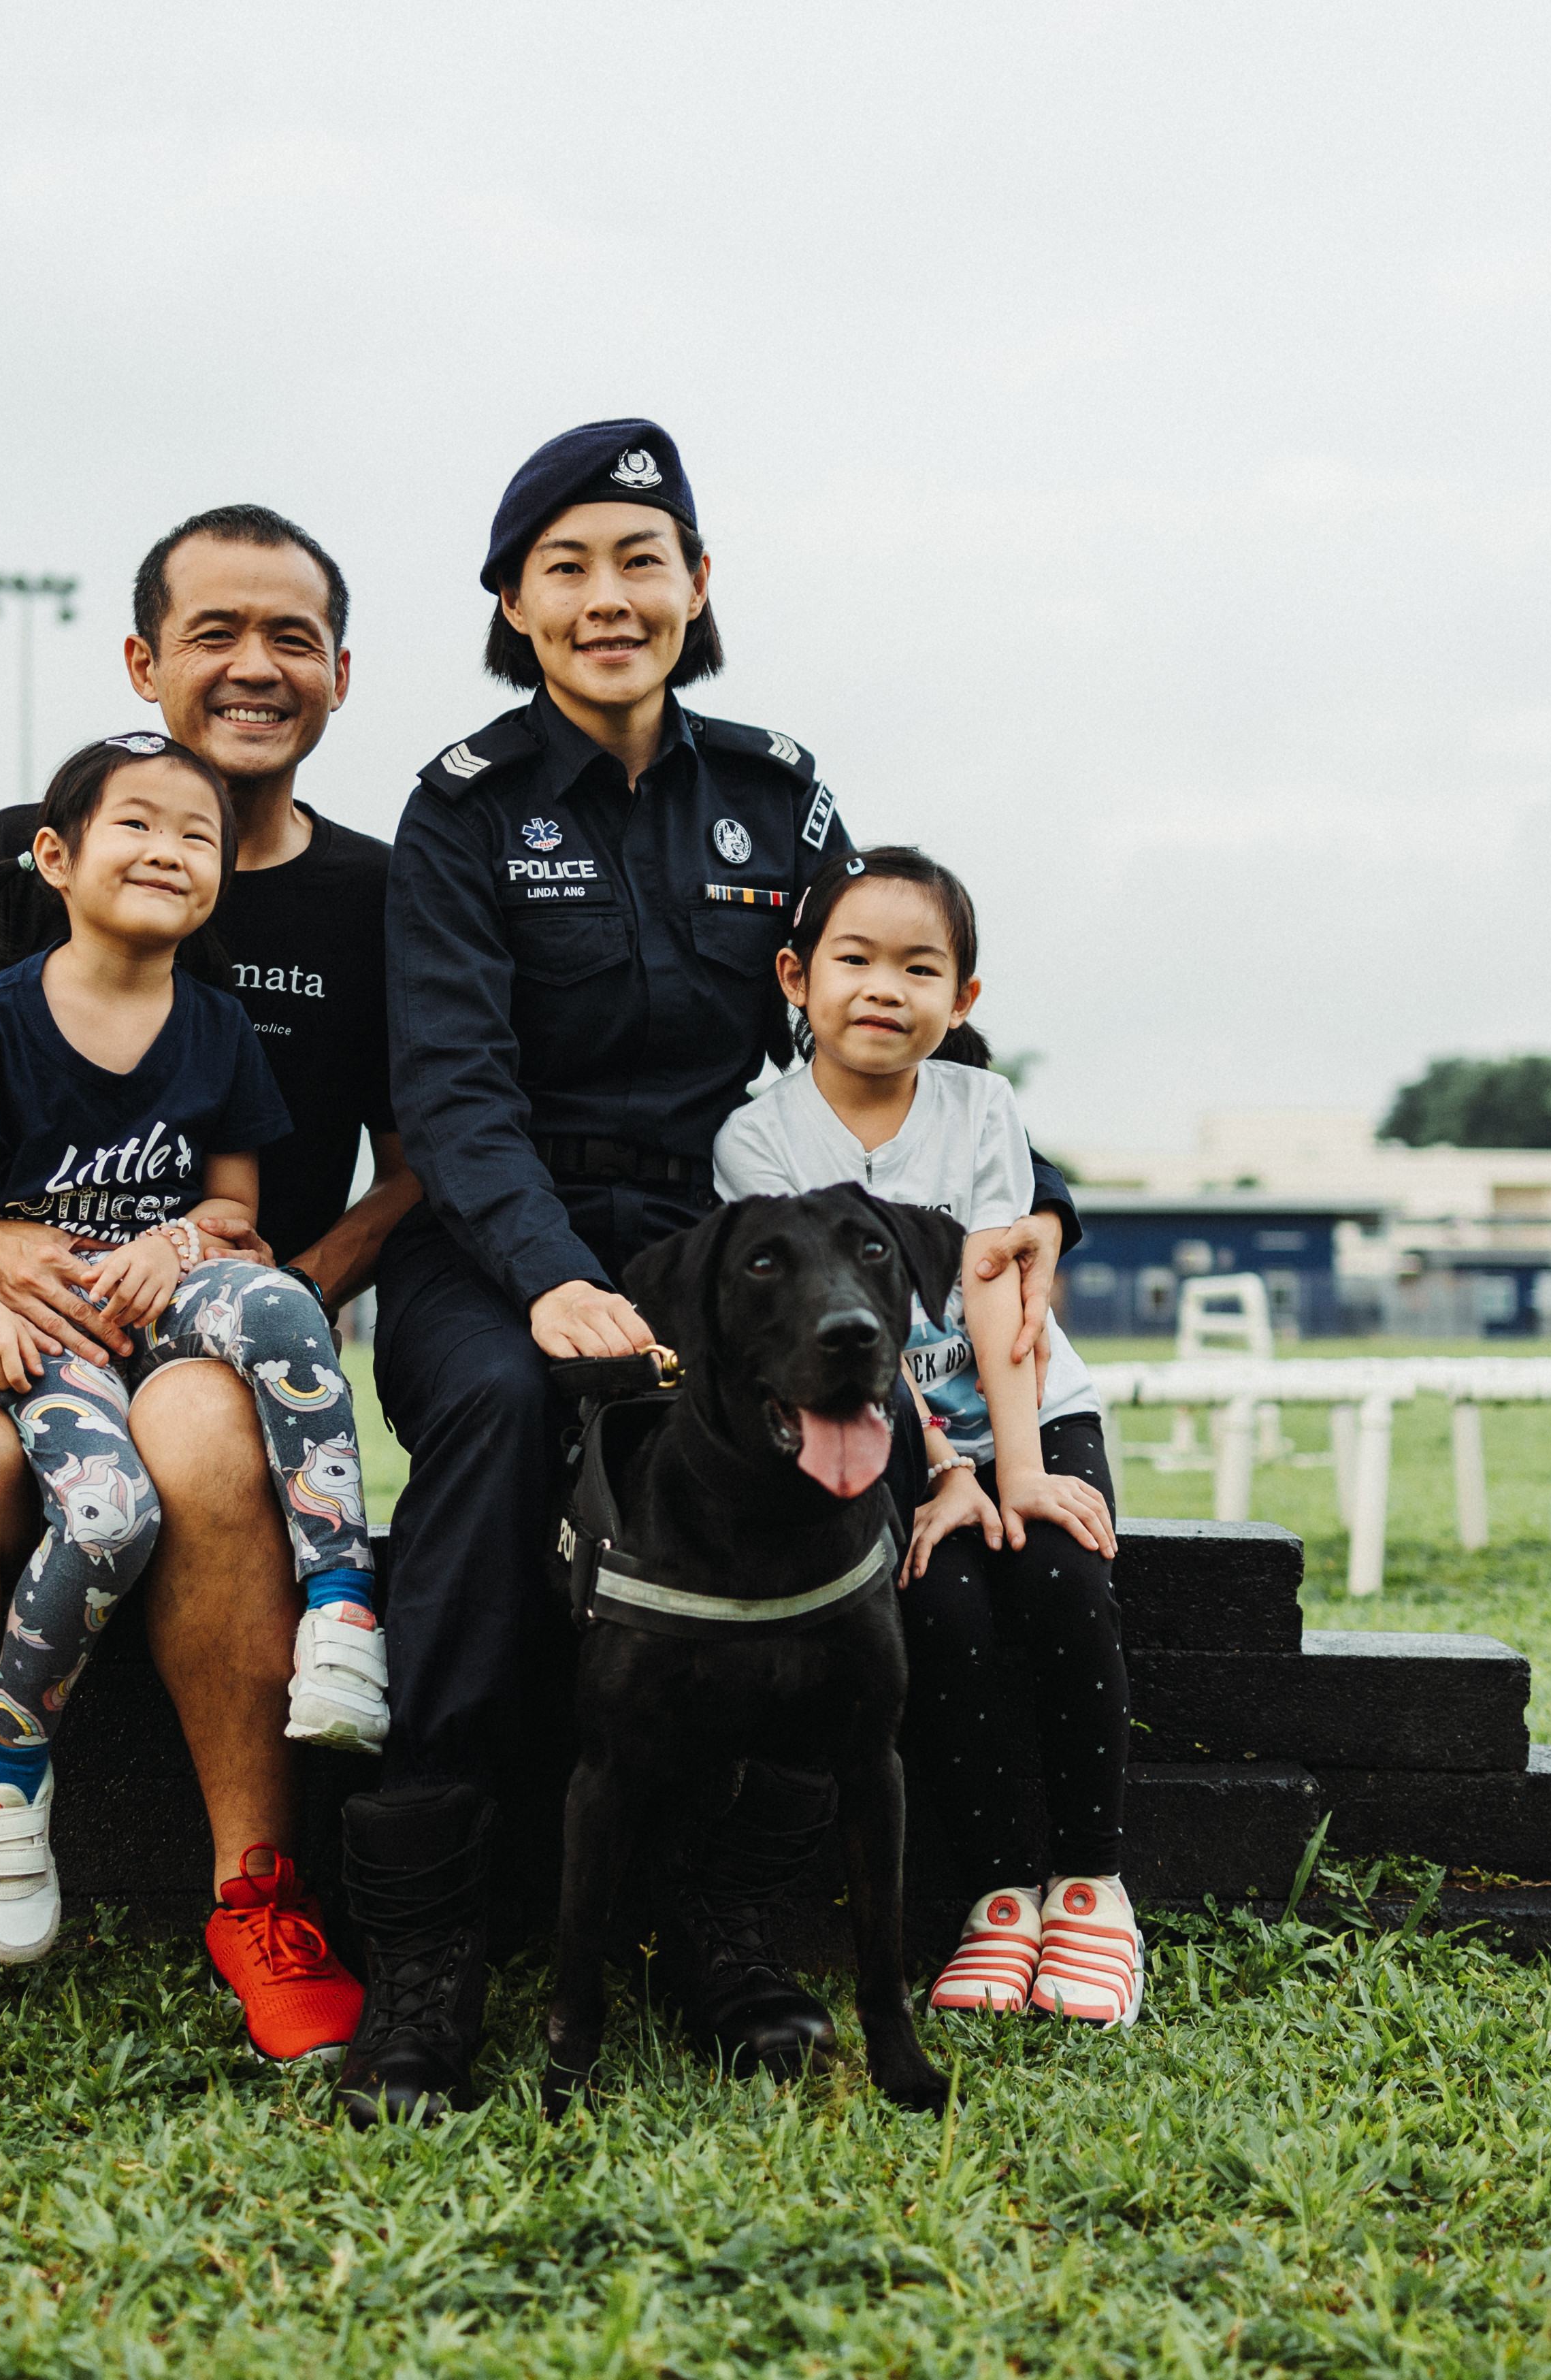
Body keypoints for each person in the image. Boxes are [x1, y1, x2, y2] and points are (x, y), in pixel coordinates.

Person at [344, 419, 1079, 2125]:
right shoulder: (461, 808)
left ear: (695, 588)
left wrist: (1035, 1201)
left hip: (735, 1230)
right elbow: (451, 1086)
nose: (610, 599)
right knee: (504, 1413)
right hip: (504, 1237)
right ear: (513, 605)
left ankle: (724, 1920)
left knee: (798, 1440)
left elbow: (869, 1011)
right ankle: (433, 1942)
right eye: (567, 569)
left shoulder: (775, 787)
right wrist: (543, 1274)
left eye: (641, 562)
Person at [0, 506, 412, 2087]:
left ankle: (259, 1898)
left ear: (338, 675)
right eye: (213, 633)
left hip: (216, 1324)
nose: (255, 666)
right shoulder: (20, 856)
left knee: (197, 1445)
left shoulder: (384, 897)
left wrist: (287, 1278)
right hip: (5, 1312)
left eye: (292, 638)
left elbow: (426, 1159)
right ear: (142, 660)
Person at [0, 730, 378, 1968]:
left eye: (195, 837)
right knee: (106, 1519)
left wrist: (180, 1235)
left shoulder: (215, 1023)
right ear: (54, 855)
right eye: (136, 828)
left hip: (161, 1306)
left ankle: (344, 1608)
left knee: (283, 1308)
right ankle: (7, 1761)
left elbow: (234, 1209)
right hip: (42, 1337)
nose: (168, 851)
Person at [709, 845, 1146, 2028]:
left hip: (1026, 1406)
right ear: (795, 977)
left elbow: (999, 1282)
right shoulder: (756, 1141)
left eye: (920, 967)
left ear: (963, 1001)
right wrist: (944, 1474)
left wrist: (1015, 1468)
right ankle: (1003, 1892)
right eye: (854, 958)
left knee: (1060, 1566)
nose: (883, 988)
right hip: (882, 1431)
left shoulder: (981, 1107)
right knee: (939, 1599)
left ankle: (1093, 1887)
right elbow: (841, 1330)